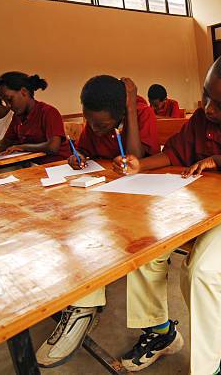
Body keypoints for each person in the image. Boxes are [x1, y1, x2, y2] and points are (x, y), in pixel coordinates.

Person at [112, 49, 221, 374]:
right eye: (207, 97)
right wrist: (139, 166)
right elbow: (175, 153)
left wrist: (218, 160)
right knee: (144, 245)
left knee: (201, 270)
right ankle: (161, 333)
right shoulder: (203, 118)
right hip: (209, 206)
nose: (209, 108)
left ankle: (208, 369)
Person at [36, 75, 159, 368]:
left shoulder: (140, 112)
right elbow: (86, 151)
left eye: (102, 125)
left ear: (120, 113)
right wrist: (77, 159)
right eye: (89, 122)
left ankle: (83, 306)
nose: (94, 128)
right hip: (104, 193)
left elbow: (136, 159)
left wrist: (129, 107)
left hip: (141, 198)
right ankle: (83, 302)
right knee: (70, 223)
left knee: (93, 232)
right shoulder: (96, 117)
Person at [0, 72, 71, 164]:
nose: (8, 105)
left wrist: (22, 147)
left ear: (24, 92)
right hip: (32, 164)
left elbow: (53, 147)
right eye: (5, 102)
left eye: (10, 99)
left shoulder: (48, 112)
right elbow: (6, 141)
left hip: (57, 166)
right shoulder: (17, 116)